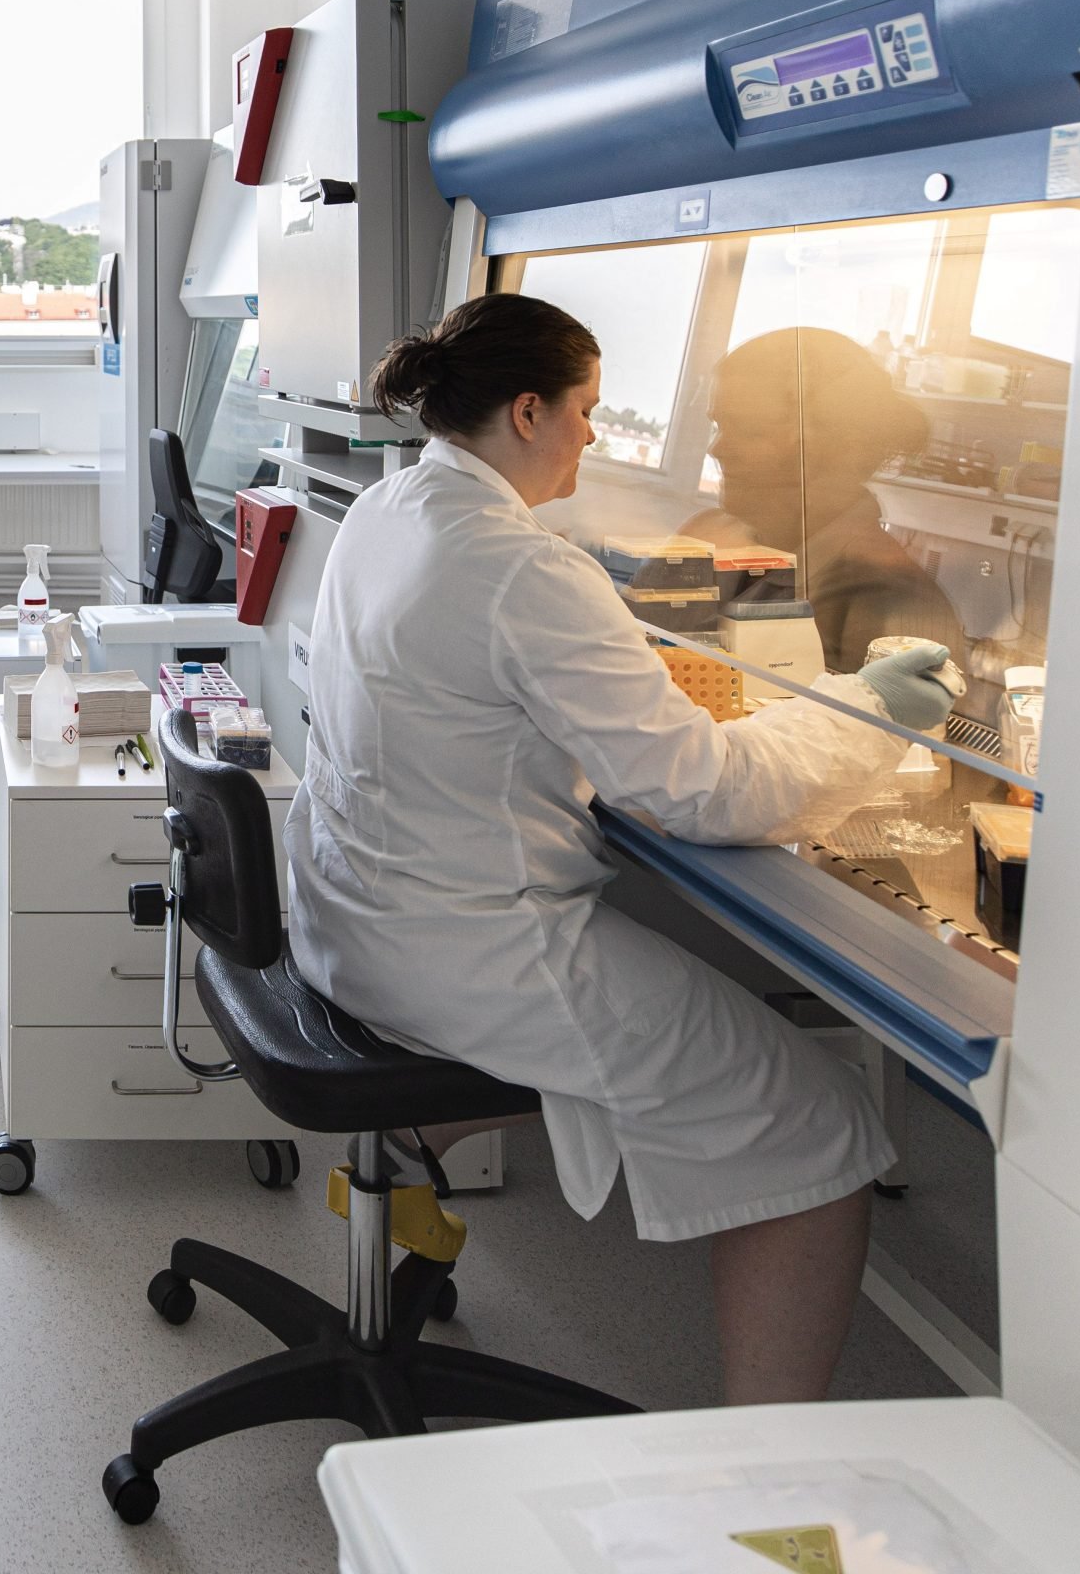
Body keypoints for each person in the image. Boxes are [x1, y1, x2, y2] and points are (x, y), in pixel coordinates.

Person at [285, 293, 961, 1405]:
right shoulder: (519, 572)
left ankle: (413, 1131)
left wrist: (613, 568)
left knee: (664, 1005)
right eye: (587, 413)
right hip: (473, 950)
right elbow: (699, 789)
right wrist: (865, 709)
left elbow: (505, 586)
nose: (596, 437)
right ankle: (764, 1474)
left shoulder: (394, 502)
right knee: (819, 1129)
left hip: (357, 916)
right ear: (528, 409)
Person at [686, 327, 967, 675]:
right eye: (718, 425)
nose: (717, 448)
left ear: (834, 448)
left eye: (748, 429)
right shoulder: (716, 544)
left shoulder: (892, 603)